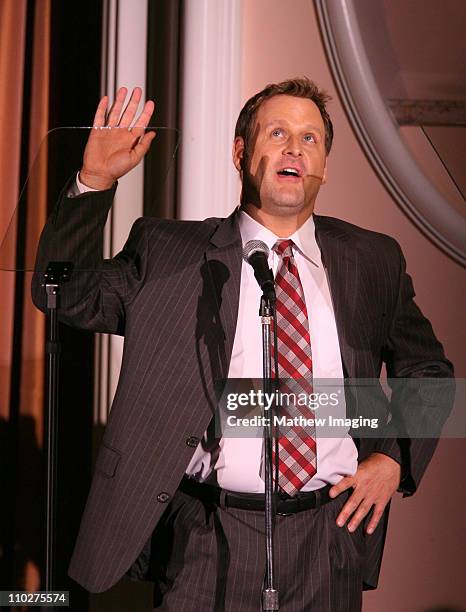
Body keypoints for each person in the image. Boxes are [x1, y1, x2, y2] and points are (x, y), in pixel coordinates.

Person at [32, 78, 453, 611]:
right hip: (205, 538)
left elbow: (430, 372)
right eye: (277, 133)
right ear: (241, 152)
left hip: (328, 538)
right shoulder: (168, 252)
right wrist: (92, 182)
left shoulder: (373, 260)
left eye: (310, 138)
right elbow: (63, 294)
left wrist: (394, 458)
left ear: (325, 162)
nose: (295, 148)